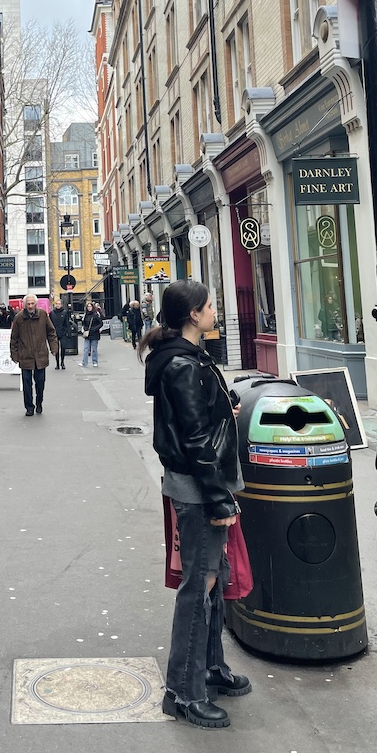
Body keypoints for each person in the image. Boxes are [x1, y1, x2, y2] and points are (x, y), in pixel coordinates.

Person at [141, 279, 249, 729]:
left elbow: (204, 415)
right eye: (209, 306)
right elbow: (196, 439)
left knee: (215, 575)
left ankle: (210, 667)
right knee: (199, 582)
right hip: (199, 487)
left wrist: (228, 407)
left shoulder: (192, 357)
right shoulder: (182, 365)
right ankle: (183, 691)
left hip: (204, 482)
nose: (214, 311)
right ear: (192, 316)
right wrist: (219, 498)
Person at [10, 293, 58, 415]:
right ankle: (29, 407)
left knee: (40, 382)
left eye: (32, 304)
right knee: (27, 383)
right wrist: (14, 355)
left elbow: (51, 332)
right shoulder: (19, 318)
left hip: (40, 355)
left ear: (36, 304)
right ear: (25, 305)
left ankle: (39, 402)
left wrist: (54, 347)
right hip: (25, 355)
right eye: (28, 304)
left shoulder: (43, 315)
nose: (30, 306)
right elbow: (14, 338)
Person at [49, 299, 71, 369]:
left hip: (63, 333)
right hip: (55, 333)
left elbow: (67, 323)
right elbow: (49, 324)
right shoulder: (52, 313)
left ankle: (62, 362)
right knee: (56, 349)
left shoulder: (64, 313)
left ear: (61, 305)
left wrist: (68, 332)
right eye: (56, 304)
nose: (58, 305)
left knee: (63, 348)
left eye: (59, 304)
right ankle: (57, 363)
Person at [81, 301, 102, 367]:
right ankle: (84, 362)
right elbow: (83, 323)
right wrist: (85, 328)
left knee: (94, 349)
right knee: (86, 348)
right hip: (87, 334)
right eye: (88, 307)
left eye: (90, 306)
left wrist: (95, 329)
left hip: (94, 334)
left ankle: (95, 361)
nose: (89, 308)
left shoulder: (95, 315)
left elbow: (101, 323)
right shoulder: (86, 315)